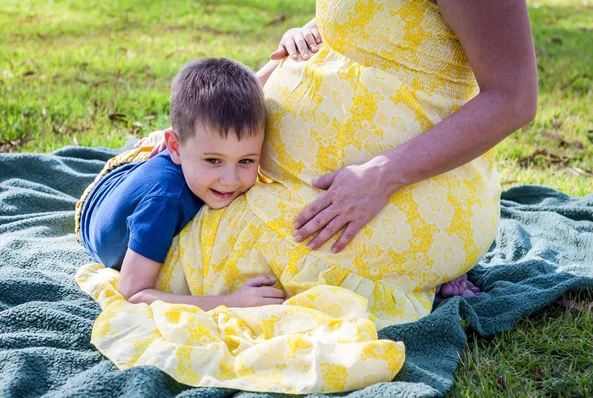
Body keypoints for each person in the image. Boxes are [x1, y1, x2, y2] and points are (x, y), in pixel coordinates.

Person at [77, 0, 538, 392]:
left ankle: (418, 270)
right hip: (181, 189)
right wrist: (306, 36)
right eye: (211, 160)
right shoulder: (173, 191)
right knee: (173, 228)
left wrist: (381, 176)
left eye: (233, 163)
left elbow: (515, 96)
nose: (227, 173)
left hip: (394, 184)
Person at [75, 58, 289, 309]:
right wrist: (230, 301)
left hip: (159, 167)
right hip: (99, 198)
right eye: (214, 160)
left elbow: (251, 89)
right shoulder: (163, 204)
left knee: (201, 129)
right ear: (175, 147)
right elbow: (132, 293)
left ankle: (167, 141)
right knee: (162, 152)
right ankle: (158, 140)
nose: (230, 180)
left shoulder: (200, 164)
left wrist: (287, 49)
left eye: (245, 161)